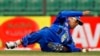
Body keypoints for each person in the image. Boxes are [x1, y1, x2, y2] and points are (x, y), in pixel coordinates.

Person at [6, 10, 90, 52]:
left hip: (50, 45)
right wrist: (81, 13)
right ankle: (15, 44)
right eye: (76, 21)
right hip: (46, 34)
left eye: (78, 23)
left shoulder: (69, 37)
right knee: (41, 33)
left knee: (65, 47)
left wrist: (80, 50)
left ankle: (59, 48)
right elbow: (62, 13)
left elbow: (73, 47)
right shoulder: (61, 20)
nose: (76, 24)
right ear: (71, 18)